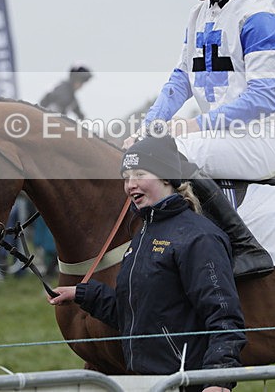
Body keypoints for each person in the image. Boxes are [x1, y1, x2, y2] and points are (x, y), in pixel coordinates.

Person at [123, 0, 275, 277]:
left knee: (173, 152)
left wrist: (195, 125)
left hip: (258, 139)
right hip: (218, 137)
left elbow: (263, 97)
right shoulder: (198, 15)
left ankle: (246, 247)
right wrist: (150, 126)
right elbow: (180, 80)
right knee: (145, 151)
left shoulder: (257, 11)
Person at [48, 135, 245, 392]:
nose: (131, 185)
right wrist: (83, 294)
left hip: (186, 383)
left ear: (166, 177)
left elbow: (225, 318)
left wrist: (218, 380)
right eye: (126, 177)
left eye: (139, 174)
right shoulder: (143, 233)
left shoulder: (199, 237)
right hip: (147, 382)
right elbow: (136, 315)